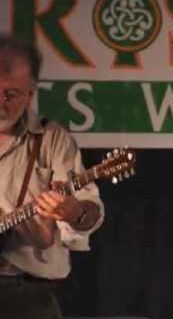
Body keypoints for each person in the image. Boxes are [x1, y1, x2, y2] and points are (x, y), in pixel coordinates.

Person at [0, 32, 104, 318]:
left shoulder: (52, 139)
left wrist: (75, 212)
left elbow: (89, 212)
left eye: (11, 94)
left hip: (28, 292)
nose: (0, 101)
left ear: (31, 93)